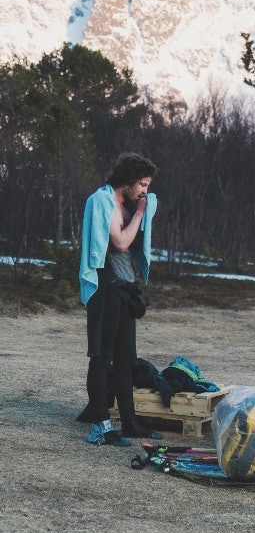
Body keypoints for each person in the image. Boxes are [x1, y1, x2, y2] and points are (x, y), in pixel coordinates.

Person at [77, 152, 160, 446]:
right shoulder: (105, 202)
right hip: (105, 288)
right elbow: (121, 243)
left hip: (125, 288)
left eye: (147, 186)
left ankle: (129, 423)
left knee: (126, 360)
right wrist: (140, 213)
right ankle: (100, 425)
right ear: (127, 180)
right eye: (142, 185)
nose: (145, 192)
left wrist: (141, 210)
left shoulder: (128, 204)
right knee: (102, 357)